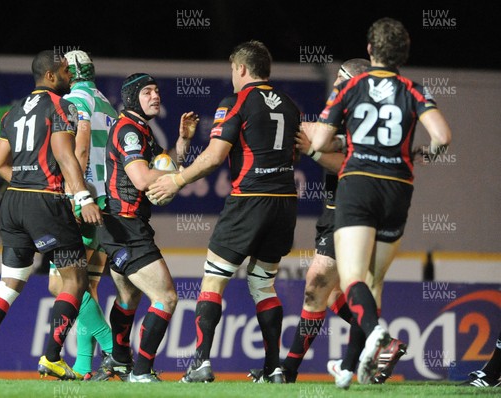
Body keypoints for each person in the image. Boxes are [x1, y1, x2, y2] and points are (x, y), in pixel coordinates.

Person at [311, 18, 452, 388]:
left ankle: (378, 336)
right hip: (398, 189)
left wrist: (342, 142)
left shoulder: (352, 87)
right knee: (373, 282)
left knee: (352, 276)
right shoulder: (413, 90)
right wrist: (427, 153)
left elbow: (320, 142)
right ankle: (347, 367)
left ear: (370, 50)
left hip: (358, 185)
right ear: (402, 55)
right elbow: (442, 136)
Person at [148, 40, 300, 383]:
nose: (232, 76)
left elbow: (215, 156)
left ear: (242, 69)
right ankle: (274, 368)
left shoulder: (237, 101)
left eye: (233, 70)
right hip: (285, 202)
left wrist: (177, 180)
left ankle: (200, 363)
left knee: (213, 280)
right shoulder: (290, 106)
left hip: (249, 199)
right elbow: (298, 153)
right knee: (263, 285)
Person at [250, 59, 407, 386]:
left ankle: (289, 370)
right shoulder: (345, 111)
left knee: (317, 285)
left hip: (350, 213)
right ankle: (373, 343)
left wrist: (314, 151)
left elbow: (347, 164)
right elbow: (309, 132)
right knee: (334, 290)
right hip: (341, 210)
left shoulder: (363, 119)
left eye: (342, 78)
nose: (337, 84)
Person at [0, 50, 102, 380]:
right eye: (66, 71)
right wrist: (82, 197)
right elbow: (66, 156)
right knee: (76, 279)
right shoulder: (62, 107)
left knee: (10, 282)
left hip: (13, 204)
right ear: (50, 76)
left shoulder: (13, 112)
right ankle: (53, 357)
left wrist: (27, 181)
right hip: (47, 203)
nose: (70, 76)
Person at [94, 73, 199, 382]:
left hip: (121, 225)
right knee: (166, 298)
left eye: (157, 91)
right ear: (131, 98)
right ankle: (140, 372)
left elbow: (166, 169)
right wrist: (185, 178)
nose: (156, 96)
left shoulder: (142, 130)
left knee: (128, 298)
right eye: (148, 92)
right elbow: (142, 178)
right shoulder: (129, 130)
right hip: (125, 227)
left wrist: (183, 141)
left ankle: (120, 360)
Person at [46, 50, 117, 380]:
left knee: (58, 283)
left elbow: (82, 146)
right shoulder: (106, 103)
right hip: (107, 202)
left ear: (71, 73)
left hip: (83, 199)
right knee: (87, 285)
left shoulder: (74, 99)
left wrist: (78, 194)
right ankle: (84, 366)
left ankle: (116, 352)